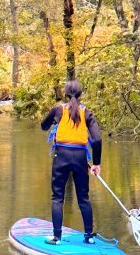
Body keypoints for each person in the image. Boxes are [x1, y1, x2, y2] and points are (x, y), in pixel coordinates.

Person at [40, 80, 102, 245]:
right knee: (83, 197)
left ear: (65, 94)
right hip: (80, 157)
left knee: (57, 198)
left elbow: (43, 126)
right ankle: (88, 236)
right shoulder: (86, 112)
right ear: (80, 94)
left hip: (61, 157)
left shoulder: (58, 110)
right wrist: (96, 163)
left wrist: (54, 121)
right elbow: (97, 140)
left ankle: (57, 237)